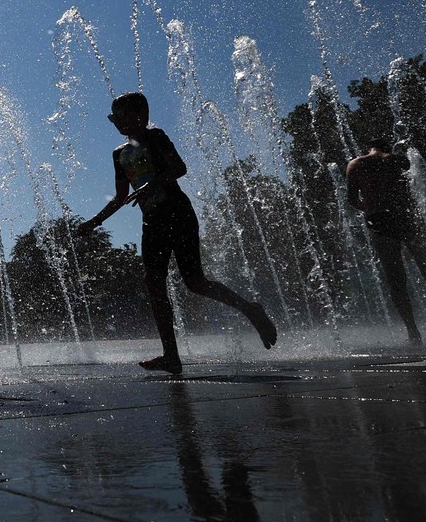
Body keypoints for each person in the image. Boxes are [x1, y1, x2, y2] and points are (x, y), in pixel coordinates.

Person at [76, 92, 276, 376]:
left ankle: (250, 309)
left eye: (119, 116)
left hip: (177, 213)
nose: (116, 123)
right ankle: (171, 355)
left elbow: (179, 168)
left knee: (195, 281)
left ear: (139, 116)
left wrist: (151, 185)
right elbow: (121, 196)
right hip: (152, 221)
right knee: (153, 283)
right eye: (113, 118)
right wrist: (94, 222)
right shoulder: (119, 154)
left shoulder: (156, 138)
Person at [345, 138, 426, 344]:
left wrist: (371, 207)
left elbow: (352, 199)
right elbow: (419, 190)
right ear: (387, 148)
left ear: (369, 148)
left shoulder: (356, 163)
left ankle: (413, 331)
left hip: (380, 221)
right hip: (408, 218)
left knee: (396, 279)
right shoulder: (400, 160)